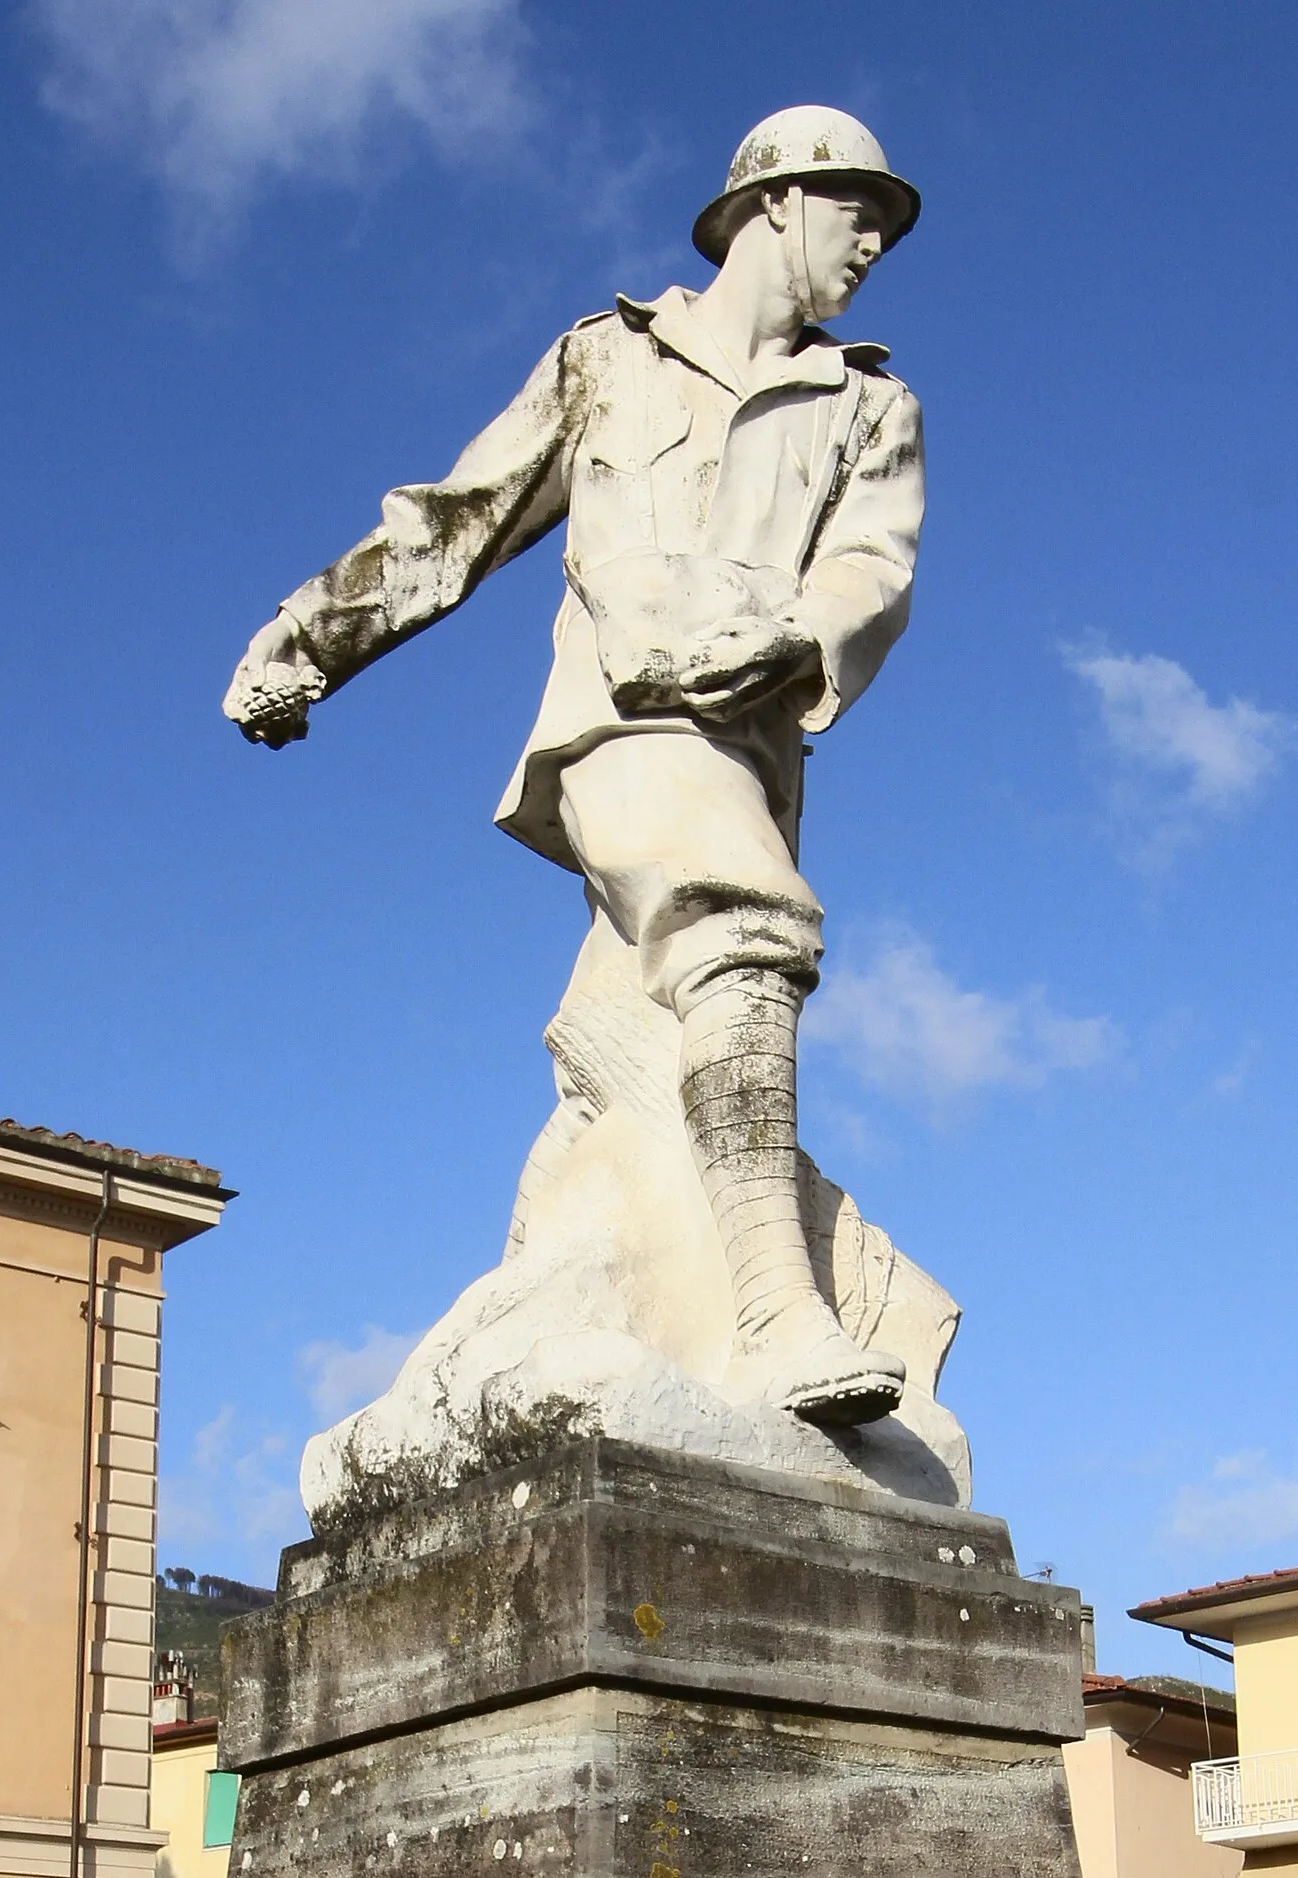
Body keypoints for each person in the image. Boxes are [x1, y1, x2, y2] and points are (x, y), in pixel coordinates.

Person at [224, 108, 925, 1429]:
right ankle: (776, 1313)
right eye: (854, 205)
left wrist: (792, 628)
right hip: (619, 736)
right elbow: (455, 524)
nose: (875, 237)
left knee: (624, 1069)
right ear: (774, 203)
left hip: (754, 759)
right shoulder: (607, 361)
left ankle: (530, 1340)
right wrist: (311, 636)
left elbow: (871, 576)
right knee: (747, 930)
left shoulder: (872, 409)